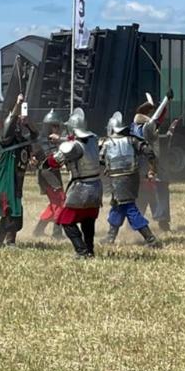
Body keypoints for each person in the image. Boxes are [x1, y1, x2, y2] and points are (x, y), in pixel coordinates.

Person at [46, 108, 103, 259]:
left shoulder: (73, 146)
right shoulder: (93, 139)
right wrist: (61, 139)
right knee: (88, 221)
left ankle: (81, 250)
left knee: (65, 220)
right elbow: (76, 140)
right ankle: (89, 250)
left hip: (81, 188)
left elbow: (55, 162)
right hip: (96, 186)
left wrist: (45, 159)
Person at [101, 112, 161, 248]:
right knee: (118, 206)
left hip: (120, 180)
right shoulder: (132, 140)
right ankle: (110, 237)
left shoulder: (107, 143)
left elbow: (101, 160)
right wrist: (152, 168)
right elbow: (149, 152)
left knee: (129, 208)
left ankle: (151, 239)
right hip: (130, 178)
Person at [0, 94, 34, 247]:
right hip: (7, 180)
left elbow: (35, 136)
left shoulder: (22, 140)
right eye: (17, 120)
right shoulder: (7, 140)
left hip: (17, 181)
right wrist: (18, 104)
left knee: (15, 212)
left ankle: (0, 242)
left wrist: (28, 124)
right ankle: (8, 242)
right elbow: (9, 126)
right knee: (10, 211)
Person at [131, 93, 175, 232]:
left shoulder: (134, 127)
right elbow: (157, 119)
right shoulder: (146, 127)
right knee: (159, 194)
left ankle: (135, 224)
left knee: (143, 197)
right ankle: (162, 223)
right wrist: (166, 101)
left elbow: (157, 123)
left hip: (140, 169)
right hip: (151, 167)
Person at [31, 108, 66, 239]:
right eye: (55, 126)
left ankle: (38, 230)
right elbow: (35, 159)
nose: (57, 129)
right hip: (48, 176)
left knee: (55, 203)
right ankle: (57, 233)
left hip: (54, 175)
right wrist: (33, 159)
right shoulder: (41, 142)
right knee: (60, 202)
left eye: (58, 126)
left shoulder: (56, 141)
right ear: (49, 127)